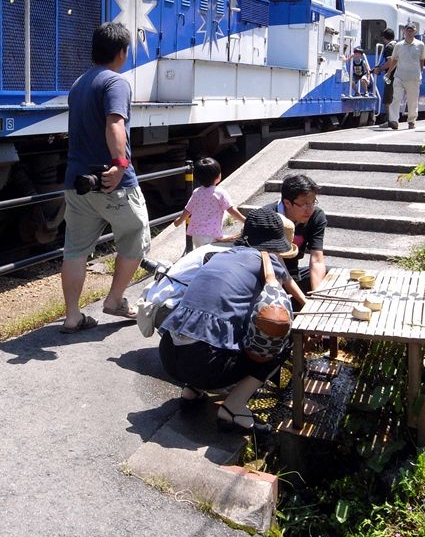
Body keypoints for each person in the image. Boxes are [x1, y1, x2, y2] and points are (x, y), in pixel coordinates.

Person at [158, 207, 307, 437]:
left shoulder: (219, 255)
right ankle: (233, 409)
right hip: (205, 364)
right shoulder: (267, 261)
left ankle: (191, 391)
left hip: (168, 355)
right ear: (274, 244)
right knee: (278, 341)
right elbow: (291, 291)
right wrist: (306, 308)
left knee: (215, 325)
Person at [60, 22, 151, 333]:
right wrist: (120, 164)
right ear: (122, 52)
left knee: (74, 249)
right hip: (111, 181)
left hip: (78, 182)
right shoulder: (117, 83)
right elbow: (115, 124)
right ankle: (114, 300)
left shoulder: (79, 84)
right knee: (136, 235)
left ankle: (72, 315)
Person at [267, 173, 326, 293]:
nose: (309, 209)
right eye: (304, 204)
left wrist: (317, 296)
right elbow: (278, 267)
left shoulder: (316, 216)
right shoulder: (267, 217)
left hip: (293, 272)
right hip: (269, 275)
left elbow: (317, 259)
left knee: (330, 276)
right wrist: (304, 300)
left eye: (312, 202)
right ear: (287, 203)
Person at [173, 156, 246, 249]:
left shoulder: (196, 192)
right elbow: (231, 210)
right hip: (211, 236)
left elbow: (188, 210)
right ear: (218, 176)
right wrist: (245, 221)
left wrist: (179, 221)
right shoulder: (220, 193)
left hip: (196, 235)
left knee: (202, 256)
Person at [388, 23, 425, 130]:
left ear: (415, 32)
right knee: (396, 98)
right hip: (399, 76)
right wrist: (389, 72)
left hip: (414, 77)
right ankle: (393, 120)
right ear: (404, 31)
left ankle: (411, 120)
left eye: (412, 30)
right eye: (408, 30)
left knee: (412, 100)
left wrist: (421, 72)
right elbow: (394, 60)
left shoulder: (420, 45)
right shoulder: (398, 45)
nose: (409, 32)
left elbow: (422, 60)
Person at [373, 31, 397, 122]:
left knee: (388, 99)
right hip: (398, 75)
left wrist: (380, 69)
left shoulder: (389, 47)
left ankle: (390, 121)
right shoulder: (397, 45)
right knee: (394, 98)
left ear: (384, 38)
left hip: (391, 76)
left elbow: (390, 61)